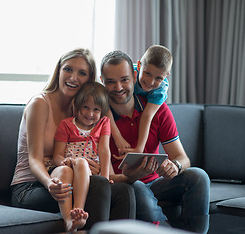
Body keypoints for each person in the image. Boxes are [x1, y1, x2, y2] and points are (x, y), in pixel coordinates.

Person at [10, 48, 135, 231]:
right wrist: (49, 183)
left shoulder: (81, 111)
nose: (73, 77)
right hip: (31, 186)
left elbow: (103, 111)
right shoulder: (40, 104)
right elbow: (34, 159)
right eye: (68, 69)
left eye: (82, 73)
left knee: (124, 191)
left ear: (89, 79)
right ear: (59, 70)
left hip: (69, 177)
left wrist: (100, 167)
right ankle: (73, 224)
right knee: (99, 185)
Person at [100, 50, 210, 233]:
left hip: (155, 183)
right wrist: (131, 176)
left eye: (124, 80)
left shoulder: (158, 108)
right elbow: (104, 177)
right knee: (137, 187)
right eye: (110, 82)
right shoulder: (96, 116)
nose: (118, 87)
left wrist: (175, 165)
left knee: (198, 176)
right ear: (102, 82)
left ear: (135, 76)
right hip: (123, 184)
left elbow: (183, 158)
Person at [52, 82, 112, 231]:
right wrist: (63, 161)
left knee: (82, 163)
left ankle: (77, 213)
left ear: (102, 111)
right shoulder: (66, 124)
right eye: (85, 107)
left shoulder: (103, 123)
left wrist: (104, 176)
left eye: (96, 110)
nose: (90, 114)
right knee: (76, 164)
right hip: (68, 169)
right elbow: (57, 156)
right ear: (77, 105)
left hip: (88, 171)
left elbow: (104, 150)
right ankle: (69, 221)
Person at [108, 45, 171, 159]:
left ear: (166, 76)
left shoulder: (160, 90)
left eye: (158, 78)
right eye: (147, 73)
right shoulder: (127, 74)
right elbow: (104, 99)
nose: (150, 82)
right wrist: (118, 137)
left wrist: (139, 148)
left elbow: (147, 116)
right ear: (138, 66)